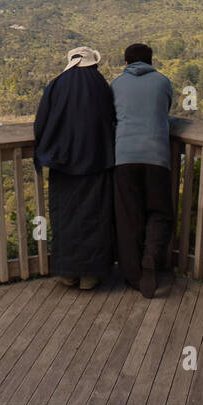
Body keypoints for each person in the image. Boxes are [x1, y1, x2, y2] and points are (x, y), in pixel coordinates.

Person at [32, 46, 116, 290]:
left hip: (63, 164)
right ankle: (90, 275)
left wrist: (46, 153)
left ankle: (67, 273)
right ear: (92, 63)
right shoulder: (100, 84)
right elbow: (111, 119)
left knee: (65, 216)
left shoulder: (56, 85)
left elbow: (42, 123)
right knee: (95, 216)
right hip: (97, 162)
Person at [110, 42, 174, 298]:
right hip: (157, 156)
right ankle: (152, 257)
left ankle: (133, 276)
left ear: (126, 63)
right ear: (150, 61)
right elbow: (164, 111)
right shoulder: (163, 82)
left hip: (124, 157)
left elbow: (113, 117)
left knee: (129, 217)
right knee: (159, 212)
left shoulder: (116, 85)